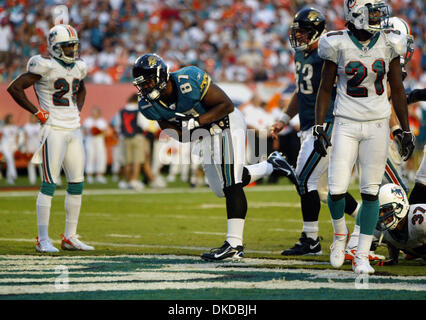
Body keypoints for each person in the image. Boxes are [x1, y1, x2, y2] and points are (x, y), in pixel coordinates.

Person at [132, 53, 298, 261]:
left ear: (161, 76)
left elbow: (226, 105)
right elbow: (175, 132)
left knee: (231, 183)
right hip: (204, 134)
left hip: (226, 123)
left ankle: (234, 244)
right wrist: (191, 131)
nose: (145, 87)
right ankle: (272, 165)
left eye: (147, 81)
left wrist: (195, 122)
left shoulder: (188, 79)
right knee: (221, 189)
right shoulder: (148, 105)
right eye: (141, 84)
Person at [314, 0, 415, 274]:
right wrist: (320, 125)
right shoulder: (336, 43)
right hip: (346, 122)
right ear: (357, 14)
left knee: (370, 193)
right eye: (372, 13)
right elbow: (325, 88)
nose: (378, 18)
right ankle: (338, 235)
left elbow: (397, 87)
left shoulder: (389, 42)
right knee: (336, 189)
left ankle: (360, 255)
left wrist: (405, 129)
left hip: (377, 125)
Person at [271, 7, 360, 256]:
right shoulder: (300, 55)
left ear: (317, 31)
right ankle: (366, 219)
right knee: (324, 189)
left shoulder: (328, 51)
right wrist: (284, 119)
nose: (298, 36)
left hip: (328, 125)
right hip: (309, 127)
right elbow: (302, 91)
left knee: (304, 180)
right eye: (297, 32)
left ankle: (310, 239)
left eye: (303, 32)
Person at [7, 24, 94, 252]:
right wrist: (37, 111)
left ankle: (70, 237)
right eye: (67, 47)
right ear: (55, 47)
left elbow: (81, 88)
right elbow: (15, 88)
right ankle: (43, 239)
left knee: (77, 183)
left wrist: (77, 108)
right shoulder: (43, 65)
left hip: (73, 129)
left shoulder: (79, 66)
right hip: (53, 129)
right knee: (49, 184)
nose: (72, 51)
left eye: (74, 46)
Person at [375, 183, 425, 265]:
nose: (381, 215)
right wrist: (393, 258)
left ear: (400, 207)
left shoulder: (420, 219)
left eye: (386, 210)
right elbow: (392, 239)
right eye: (379, 211)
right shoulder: (379, 230)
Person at [83, 106, 108, 184]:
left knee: (100, 156)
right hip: (90, 139)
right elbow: (84, 131)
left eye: (95, 112)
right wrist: (91, 132)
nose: (94, 113)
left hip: (99, 140)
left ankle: (99, 175)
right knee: (89, 156)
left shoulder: (102, 121)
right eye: (93, 112)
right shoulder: (88, 121)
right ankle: (89, 175)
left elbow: (105, 132)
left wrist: (98, 132)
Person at [22, 114, 42, 185]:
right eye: (31, 117)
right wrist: (26, 148)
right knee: (30, 164)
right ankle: (32, 181)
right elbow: (25, 138)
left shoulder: (40, 125)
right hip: (30, 147)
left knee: (41, 164)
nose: (33, 119)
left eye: (34, 118)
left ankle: (43, 180)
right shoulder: (27, 126)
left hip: (39, 147)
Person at [0, 114, 18, 184]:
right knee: (10, 160)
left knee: (10, 161)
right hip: (4, 146)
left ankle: (9, 179)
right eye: (10, 118)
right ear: (7, 119)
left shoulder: (15, 127)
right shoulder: (3, 127)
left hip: (12, 146)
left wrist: (16, 145)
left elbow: (16, 136)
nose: (12, 120)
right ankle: (14, 174)